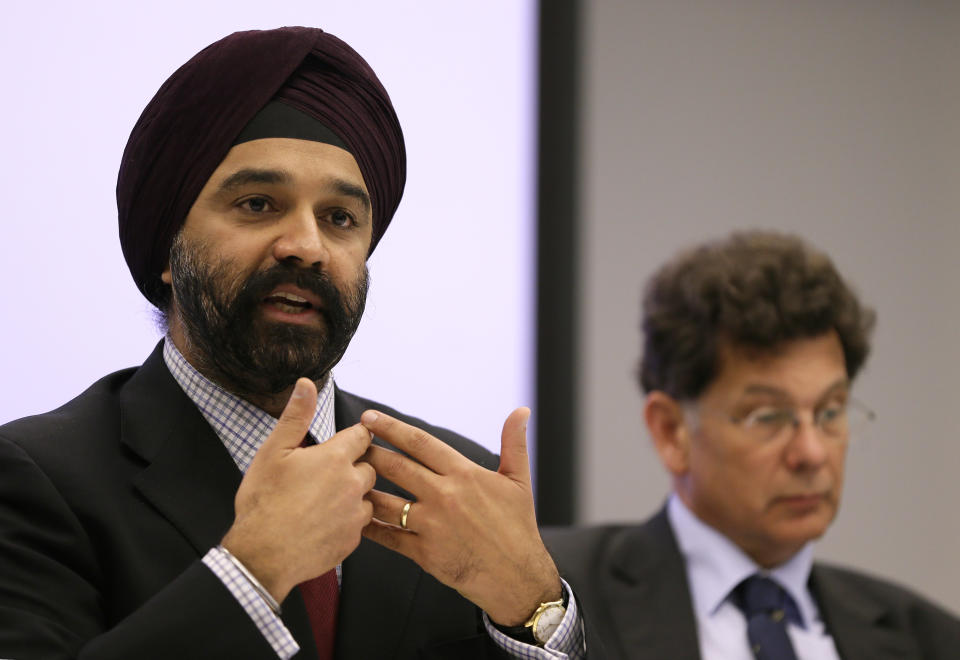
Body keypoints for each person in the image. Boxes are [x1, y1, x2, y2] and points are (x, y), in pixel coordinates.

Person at [0, 27, 590, 660]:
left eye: (339, 219)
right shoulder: (39, 483)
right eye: (258, 204)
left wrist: (535, 609)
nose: (306, 246)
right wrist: (251, 570)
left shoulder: (444, 487)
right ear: (168, 249)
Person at [543, 231, 960, 660]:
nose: (812, 454)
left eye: (831, 411)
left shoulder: (929, 640)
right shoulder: (555, 599)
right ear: (671, 431)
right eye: (768, 417)